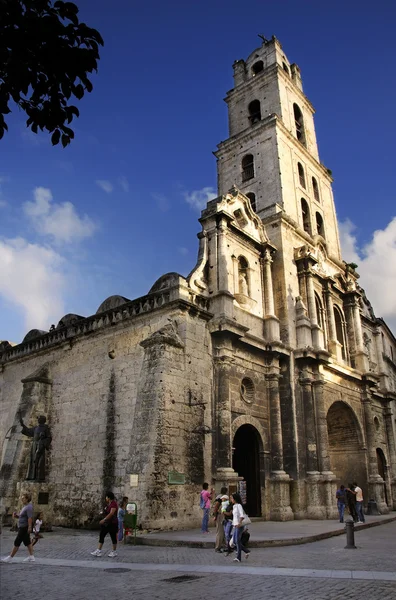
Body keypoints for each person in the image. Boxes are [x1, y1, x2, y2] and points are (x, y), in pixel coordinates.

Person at [1, 493, 35, 562]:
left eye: (23, 498)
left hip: (24, 527)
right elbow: (22, 516)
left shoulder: (29, 507)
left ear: (27, 499)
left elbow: (29, 518)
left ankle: (10, 557)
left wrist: (29, 527)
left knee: (17, 541)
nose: (22, 499)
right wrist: (17, 516)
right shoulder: (25, 506)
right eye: (21, 498)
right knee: (27, 542)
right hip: (22, 526)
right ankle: (31, 557)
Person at [19, 414, 52, 481]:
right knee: (32, 461)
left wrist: (43, 443)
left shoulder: (46, 428)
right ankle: (31, 477)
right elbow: (28, 431)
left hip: (40, 446)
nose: (38, 420)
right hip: (34, 446)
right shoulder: (36, 428)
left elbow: (49, 438)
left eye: (39, 419)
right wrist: (22, 424)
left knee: (40, 462)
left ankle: (39, 477)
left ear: (42, 420)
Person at [91, 492, 119, 558]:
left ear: (109, 497)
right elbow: (107, 511)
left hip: (112, 523)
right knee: (102, 535)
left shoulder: (113, 504)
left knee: (113, 537)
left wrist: (104, 520)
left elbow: (111, 513)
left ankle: (114, 551)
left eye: (106, 497)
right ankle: (99, 550)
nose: (105, 498)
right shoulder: (108, 504)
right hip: (107, 524)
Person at [230, 492, 250, 563]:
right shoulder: (234, 506)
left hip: (239, 525)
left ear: (235, 499)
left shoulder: (239, 506)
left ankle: (238, 557)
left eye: (232, 498)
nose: (231, 499)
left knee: (237, 541)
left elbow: (242, 516)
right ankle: (246, 551)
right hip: (235, 525)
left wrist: (239, 523)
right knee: (235, 541)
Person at [213, 486, 228, 552]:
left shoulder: (219, 497)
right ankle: (217, 547)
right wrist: (215, 516)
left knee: (223, 531)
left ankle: (224, 545)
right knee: (220, 532)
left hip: (221, 515)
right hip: (220, 516)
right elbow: (216, 507)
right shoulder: (221, 498)